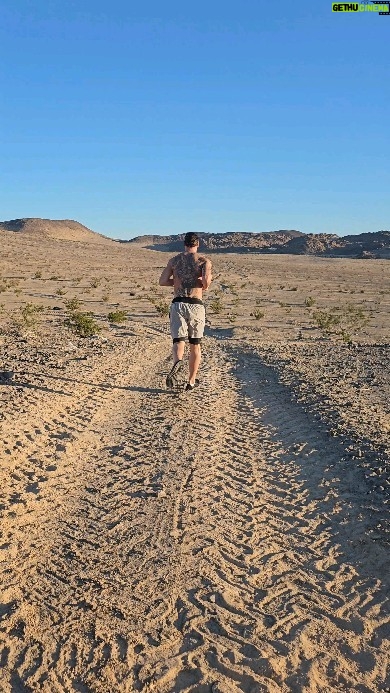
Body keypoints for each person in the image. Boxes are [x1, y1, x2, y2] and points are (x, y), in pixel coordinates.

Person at [159, 232, 212, 391]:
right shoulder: (204, 261)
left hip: (178, 303)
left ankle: (177, 362)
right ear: (198, 244)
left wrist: (177, 283)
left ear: (184, 244)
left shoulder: (174, 260)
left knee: (178, 340)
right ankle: (191, 381)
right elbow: (206, 285)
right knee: (195, 344)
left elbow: (162, 281)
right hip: (196, 304)